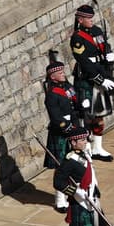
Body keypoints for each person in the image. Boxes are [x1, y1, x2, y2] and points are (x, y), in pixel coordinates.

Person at [53, 126, 103, 226]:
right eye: (81, 140)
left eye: (84, 139)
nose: (85, 142)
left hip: (90, 200)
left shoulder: (84, 155)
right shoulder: (69, 161)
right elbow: (58, 182)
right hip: (78, 203)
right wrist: (75, 192)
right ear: (73, 142)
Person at [69, 4, 114, 162]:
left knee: (99, 114)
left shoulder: (96, 30)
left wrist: (109, 54)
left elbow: (104, 45)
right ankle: (85, 146)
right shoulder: (77, 38)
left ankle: (98, 147)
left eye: (91, 17)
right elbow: (83, 61)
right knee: (86, 114)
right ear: (80, 20)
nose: (91, 20)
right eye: (88, 18)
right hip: (87, 78)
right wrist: (100, 79)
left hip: (101, 71)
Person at [43, 59, 81, 214]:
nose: (63, 74)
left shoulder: (68, 86)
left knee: (74, 162)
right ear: (52, 77)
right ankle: (60, 199)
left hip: (73, 126)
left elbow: (74, 102)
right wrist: (70, 128)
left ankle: (72, 192)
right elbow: (56, 117)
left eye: (62, 71)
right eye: (59, 73)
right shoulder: (51, 95)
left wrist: (82, 105)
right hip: (61, 132)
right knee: (61, 166)